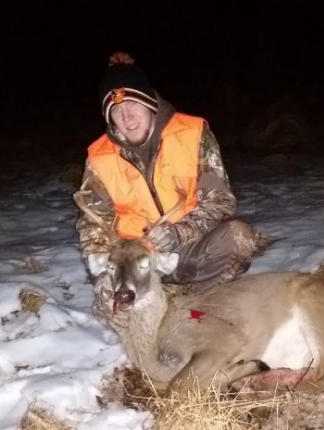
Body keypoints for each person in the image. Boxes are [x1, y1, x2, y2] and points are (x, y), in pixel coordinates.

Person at [75, 52, 259, 295]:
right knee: (117, 304)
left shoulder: (192, 134)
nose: (127, 118)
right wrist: (98, 253)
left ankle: (201, 302)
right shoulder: (100, 157)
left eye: (132, 104)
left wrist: (178, 232)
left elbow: (220, 201)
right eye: (116, 111)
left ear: (149, 102)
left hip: (187, 245)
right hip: (131, 258)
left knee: (239, 237)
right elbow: (93, 219)